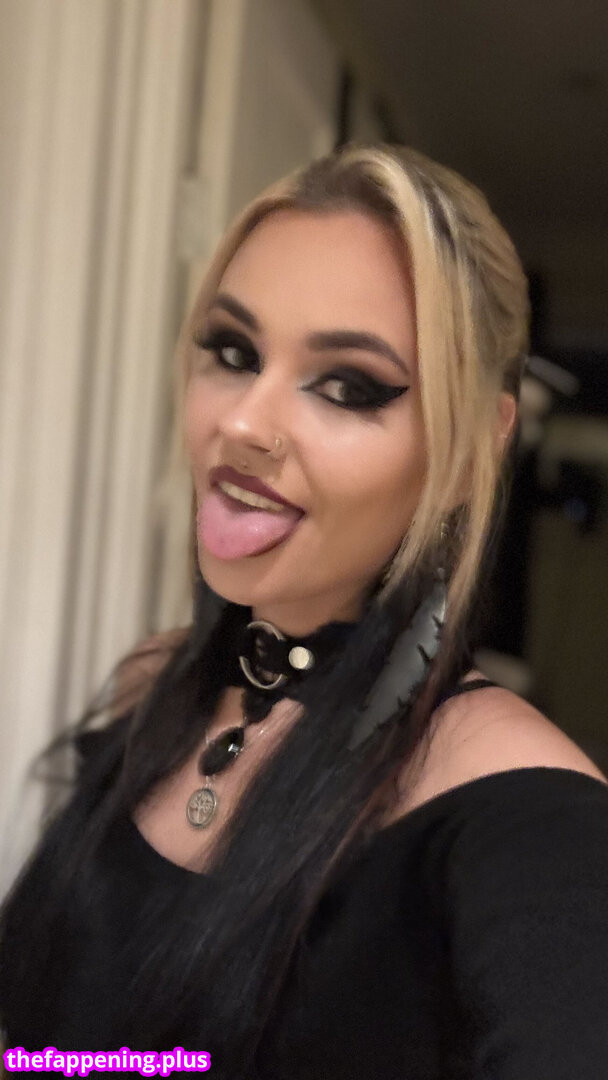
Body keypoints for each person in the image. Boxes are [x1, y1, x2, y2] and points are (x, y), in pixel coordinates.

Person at [1, 143, 608, 1080]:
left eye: (348, 386)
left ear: (475, 449)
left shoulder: (523, 816)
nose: (242, 422)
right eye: (233, 353)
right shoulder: (151, 689)